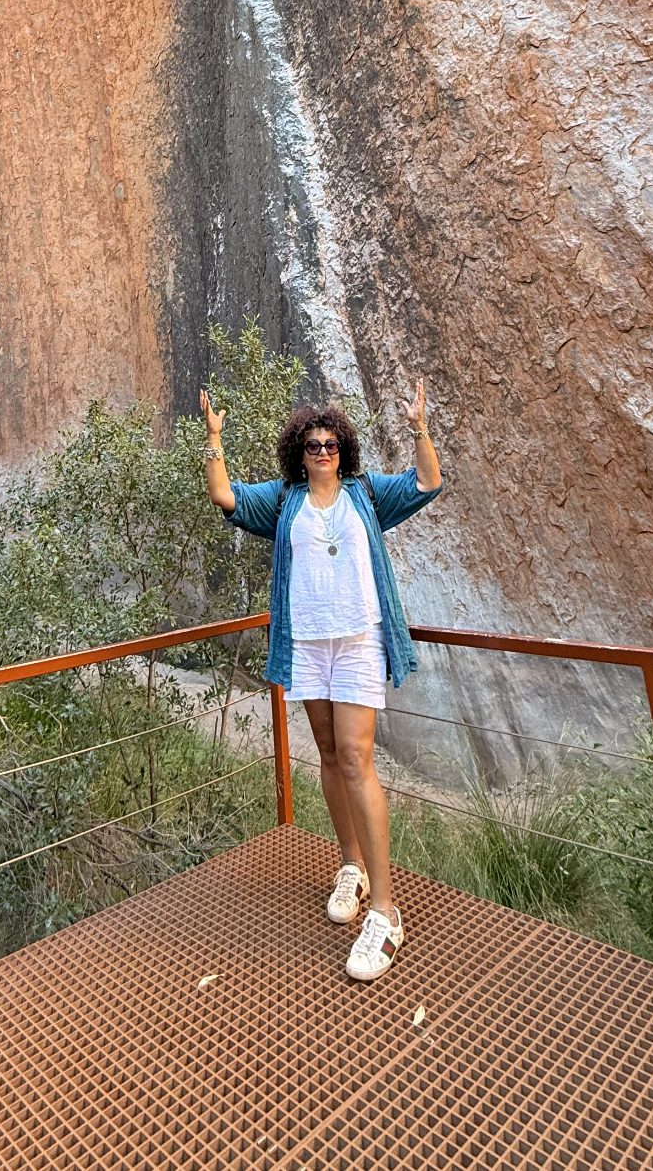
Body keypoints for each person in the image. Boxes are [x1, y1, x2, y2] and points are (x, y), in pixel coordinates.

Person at [200, 380, 443, 982]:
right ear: (298, 451)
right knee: (331, 757)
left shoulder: (365, 496)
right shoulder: (284, 502)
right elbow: (226, 498)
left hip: (359, 642)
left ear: (345, 449)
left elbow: (427, 484)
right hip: (306, 645)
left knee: (358, 758)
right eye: (313, 443)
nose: (323, 450)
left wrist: (418, 428)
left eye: (331, 443)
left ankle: (385, 913)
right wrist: (213, 440)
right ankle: (351, 867)